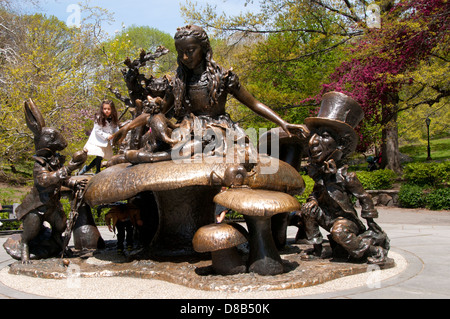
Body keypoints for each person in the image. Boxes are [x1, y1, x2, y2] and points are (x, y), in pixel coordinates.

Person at [112, 25, 308, 164]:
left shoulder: (223, 77)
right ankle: (144, 154)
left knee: (194, 145)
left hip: (217, 128)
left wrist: (283, 123)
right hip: (187, 127)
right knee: (157, 139)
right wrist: (126, 128)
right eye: (181, 53)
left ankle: (153, 158)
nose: (185, 57)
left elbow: (254, 104)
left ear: (204, 49)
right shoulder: (179, 81)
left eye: (190, 51)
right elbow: (158, 113)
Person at [296, 92, 390, 264]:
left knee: (339, 232)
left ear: (340, 144)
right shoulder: (320, 174)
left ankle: (373, 250)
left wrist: (371, 224)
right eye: (314, 135)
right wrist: (313, 202)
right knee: (307, 210)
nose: (313, 142)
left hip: (346, 221)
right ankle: (317, 249)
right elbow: (315, 193)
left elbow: (364, 198)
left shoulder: (346, 176)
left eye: (323, 136)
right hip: (328, 217)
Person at [79, 100, 119, 174]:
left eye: (108, 109)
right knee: (99, 155)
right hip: (98, 140)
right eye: (105, 109)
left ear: (112, 109)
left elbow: (115, 128)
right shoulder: (99, 117)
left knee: (100, 157)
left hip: (107, 141)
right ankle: (97, 171)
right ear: (102, 109)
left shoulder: (113, 118)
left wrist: (118, 134)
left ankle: (87, 168)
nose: (106, 111)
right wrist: (107, 136)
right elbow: (97, 130)